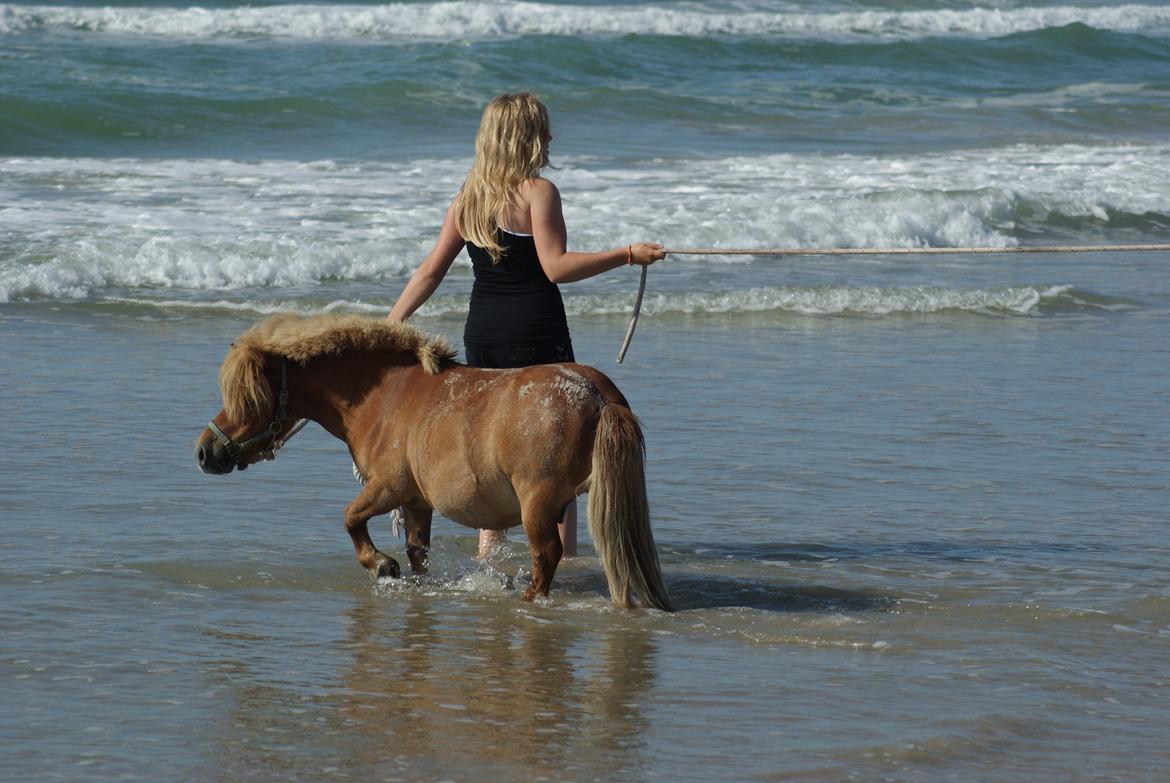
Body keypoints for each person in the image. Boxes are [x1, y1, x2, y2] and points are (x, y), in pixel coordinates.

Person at [386, 92, 666, 558]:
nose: (550, 138)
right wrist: (627, 255)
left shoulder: (467, 197)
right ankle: (566, 566)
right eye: (543, 130)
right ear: (528, 137)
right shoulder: (539, 192)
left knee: (491, 449)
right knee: (558, 455)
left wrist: (392, 323)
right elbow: (555, 267)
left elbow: (431, 270)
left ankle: (489, 561)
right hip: (536, 329)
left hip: (485, 332)